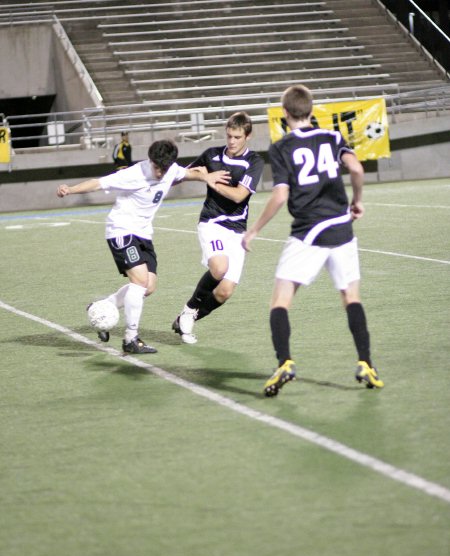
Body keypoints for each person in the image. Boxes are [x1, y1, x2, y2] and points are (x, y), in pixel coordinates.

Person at [242, 84, 384, 396]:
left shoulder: (281, 148)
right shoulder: (333, 137)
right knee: (351, 297)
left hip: (307, 232)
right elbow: (356, 168)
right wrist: (356, 200)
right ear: (311, 109)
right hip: (341, 229)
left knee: (280, 301)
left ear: (284, 113)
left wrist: (254, 230)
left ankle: (285, 362)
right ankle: (366, 363)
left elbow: (280, 195)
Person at [57, 139, 229, 354]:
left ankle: (102, 306)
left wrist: (206, 176)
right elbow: (98, 183)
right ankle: (131, 338)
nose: (160, 173)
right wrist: (70, 189)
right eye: (157, 168)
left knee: (148, 287)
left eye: (164, 169)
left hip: (144, 234)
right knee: (139, 281)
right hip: (121, 230)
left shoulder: (170, 169)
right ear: (150, 160)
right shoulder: (134, 174)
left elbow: (185, 174)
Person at [172, 111, 264, 344]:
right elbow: (180, 176)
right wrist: (202, 176)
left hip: (237, 230)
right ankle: (191, 307)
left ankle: (185, 318)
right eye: (229, 136)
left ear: (248, 136)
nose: (231, 142)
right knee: (219, 267)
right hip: (212, 222)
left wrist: (211, 180)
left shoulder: (254, 162)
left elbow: (239, 195)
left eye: (237, 137)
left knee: (224, 292)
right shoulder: (211, 155)